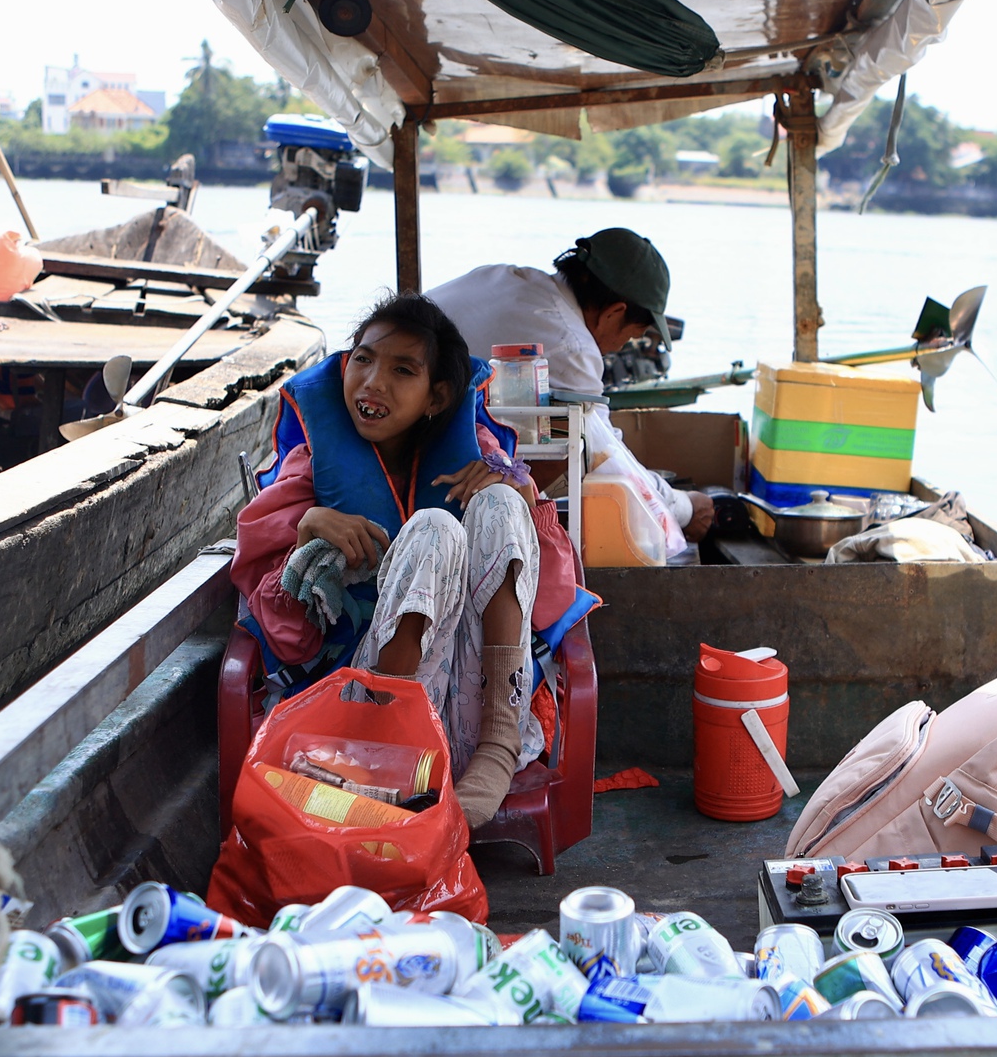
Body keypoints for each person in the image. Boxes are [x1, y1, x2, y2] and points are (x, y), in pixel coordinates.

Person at [232, 294, 594, 826]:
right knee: (433, 527)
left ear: (436, 397)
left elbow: (551, 598)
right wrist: (309, 524)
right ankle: (389, 755)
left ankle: (498, 743)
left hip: (472, 720)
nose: (374, 381)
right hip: (357, 732)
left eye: (402, 370)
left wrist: (517, 488)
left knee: (496, 502)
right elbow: (284, 639)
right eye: (363, 359)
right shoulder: (310, 470)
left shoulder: (483, 456)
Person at [425, 228, 716, 556]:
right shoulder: (573, 344)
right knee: (573, 449)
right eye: (635, 333)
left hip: (406, 433)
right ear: (615, 313)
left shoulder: (500, 276)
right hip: (446, 476)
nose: (626, 345)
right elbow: (606, 460)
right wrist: (684, 507)